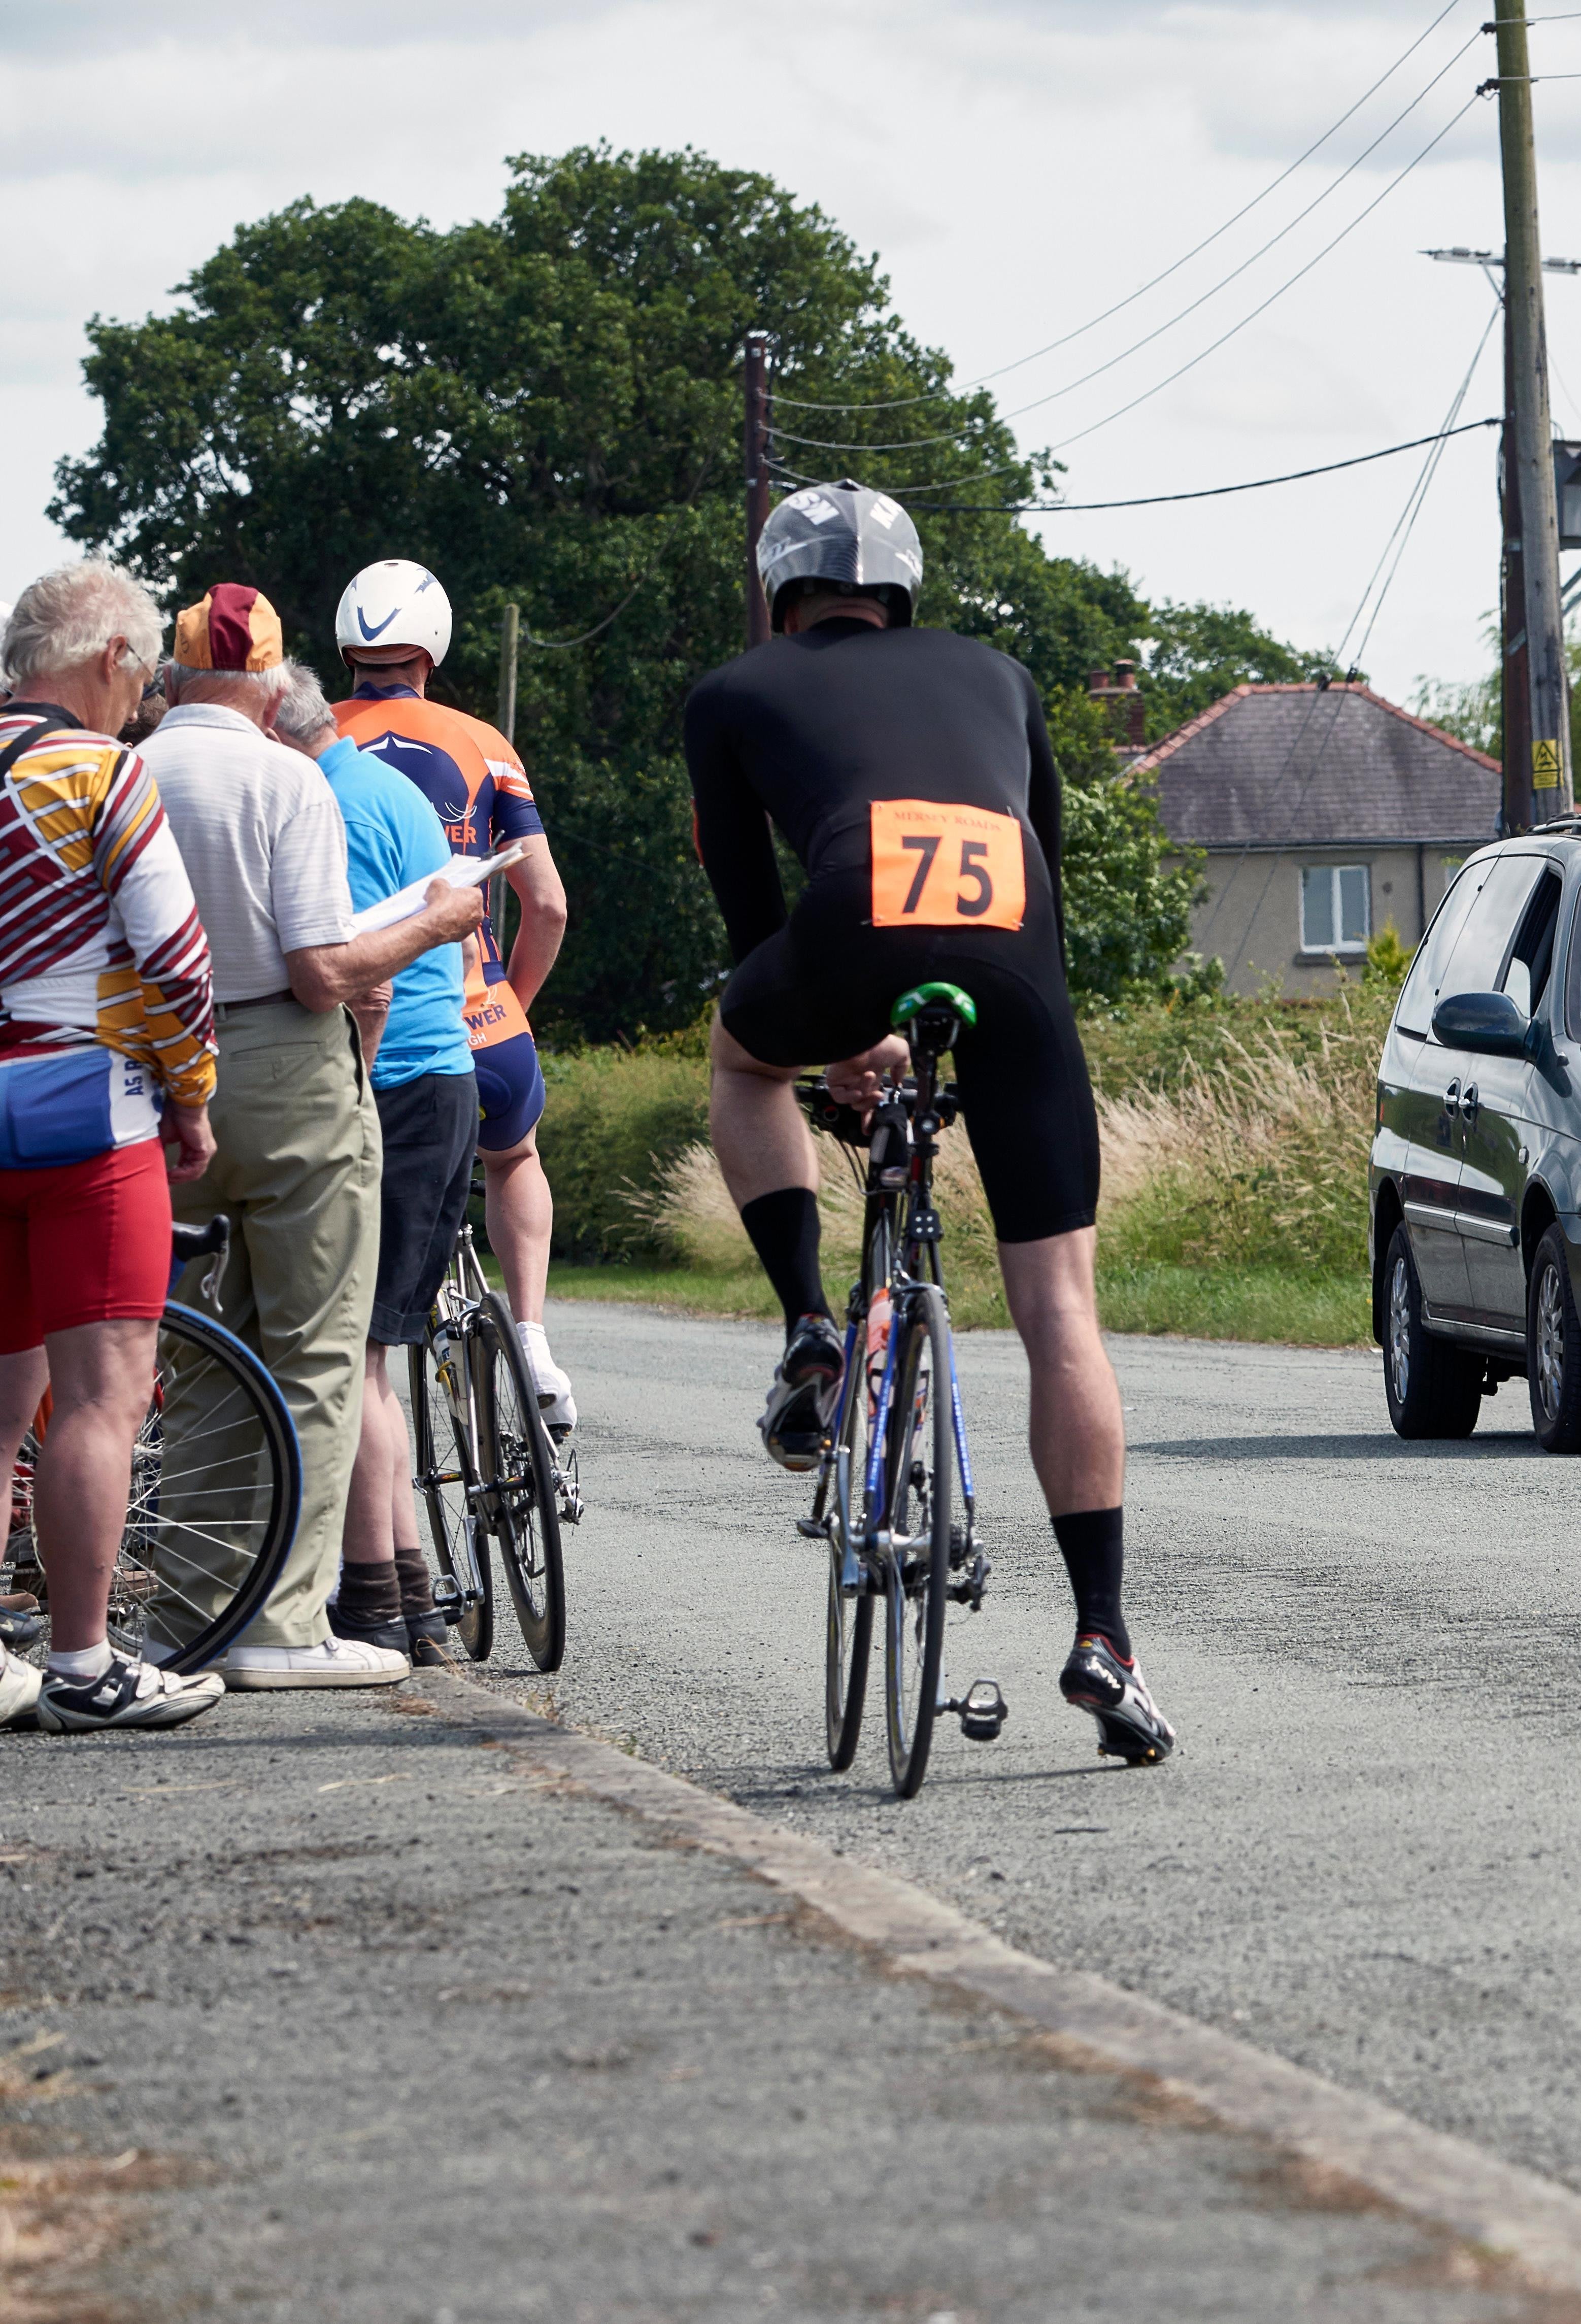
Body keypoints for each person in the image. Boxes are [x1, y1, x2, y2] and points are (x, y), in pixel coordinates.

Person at [681, 479, 1170, 1766]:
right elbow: (1046, 846)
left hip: (845, 924)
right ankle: (1105, 1633)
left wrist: (836, 1040)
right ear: (903, 595)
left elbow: (749, 912)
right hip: (1018, 952)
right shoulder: (1001, 673)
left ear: (780, 597)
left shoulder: (734, 693)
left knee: (741, 1058)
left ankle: (807, 1333)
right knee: (1062, 1308)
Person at [143, 585, 484, 1688]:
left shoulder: (127, 769)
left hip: (153, 1076)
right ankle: (282, 1623)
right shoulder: (287, 777)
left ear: (178, 672)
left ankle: (193, 1606)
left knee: (196, 1355)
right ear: (275, 680)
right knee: (316, 1350)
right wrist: (435, 920)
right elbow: (320, 967)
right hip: (286, 1064)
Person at [0, 559, 227, 1732]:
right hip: (83, 1112)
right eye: (137, 677)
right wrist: (190, 1095)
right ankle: (84, 1661)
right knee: (101, 1397)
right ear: (106, 658)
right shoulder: (100, 770)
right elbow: (175, 958)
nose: (138, 702)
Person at [327, 560, 576, 1432]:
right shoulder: (484, 742)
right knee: (513, 1157)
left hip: (362, 1029)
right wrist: (516, 1004)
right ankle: (536, 1337)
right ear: (432, 647)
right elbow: (547, 903)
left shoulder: (309, 742)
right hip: (483, 1019)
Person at [278, 665, 477, 1662]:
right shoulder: (396, 788)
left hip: (388, 1082)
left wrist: (339, 1089)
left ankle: (373, 1593)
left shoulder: (326, 805)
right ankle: (411, 1598)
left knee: (346, 1355)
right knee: (378, 1358)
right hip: (450, 1075)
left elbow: (359, 974)